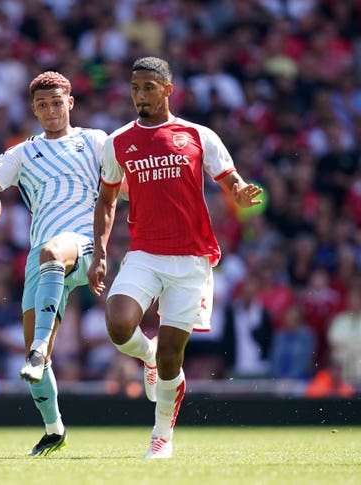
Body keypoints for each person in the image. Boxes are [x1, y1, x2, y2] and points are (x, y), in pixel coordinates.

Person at [87, 57, 263, 459]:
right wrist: (99, 252)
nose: (140, 95)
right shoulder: (119, 142)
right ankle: (144, 355)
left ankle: (161, 434)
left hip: (191, 259)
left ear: (168, 89)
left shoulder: (198, 135)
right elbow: (108, 200)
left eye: (149, 87)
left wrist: (237, 192)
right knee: (117, 324)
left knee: (172, 358)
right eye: (135, 88)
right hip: (145, 253)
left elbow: (229, 177)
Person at [0, 71, 107, 456]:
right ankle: (54, 430)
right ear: (34, 109)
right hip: (40, 255)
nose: (51, 109)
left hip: (81, 243)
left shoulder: (94, 141)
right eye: (43, 104)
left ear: (71, 102)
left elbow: (121, 185)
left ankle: (36, 350)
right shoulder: (23, 152)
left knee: (52, 257)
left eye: (57, 101)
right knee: (37, 364)